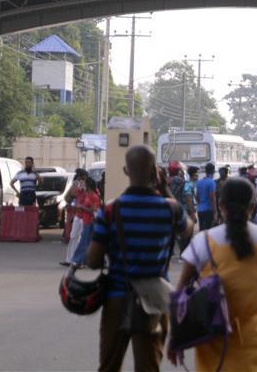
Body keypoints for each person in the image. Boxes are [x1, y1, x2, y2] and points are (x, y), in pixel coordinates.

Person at [87, 145, 193, 372]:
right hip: (154, 301)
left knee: (109, 367)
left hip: (116, 298)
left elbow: (93, 260)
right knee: (149, 368)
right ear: (156, 172)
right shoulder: (170, 209)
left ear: (126, 171)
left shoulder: (110, 210)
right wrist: (166, 190)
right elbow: (188, 231)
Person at [171, 177, 257, 372]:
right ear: (253, 206)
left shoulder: (202, 243)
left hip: (215, 351)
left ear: (220, 206)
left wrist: (174, 339)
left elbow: (180, 296)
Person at [70, 177, 101, 267]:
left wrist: (83, 208)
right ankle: (84, 261)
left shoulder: (94, 196)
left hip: (90, 222)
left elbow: (94, 210)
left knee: (84, 242)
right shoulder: (87, 195)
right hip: (85, 220)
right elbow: (74, 193)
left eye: (85, 184)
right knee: (87, 242)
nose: (84, 185)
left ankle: (77, 260)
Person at [63, 169, 90, 265]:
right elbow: (68, 196)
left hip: (84, 215)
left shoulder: (87, 186)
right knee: (74, 236)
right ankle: (69, 259)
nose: (80, 179)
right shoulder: (77, 185)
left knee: (79, 238)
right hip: (78, 215)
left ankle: (77, 260)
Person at [196, 163, 217, 230]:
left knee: (202, 231)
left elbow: (197, 197)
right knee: (209, 232)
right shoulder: (212, 182)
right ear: (213, 171)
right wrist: (215, 212)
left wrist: (201, 204)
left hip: (200, 210)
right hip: (208, 211)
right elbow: (212, 199)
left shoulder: (199, 182)